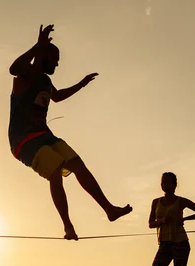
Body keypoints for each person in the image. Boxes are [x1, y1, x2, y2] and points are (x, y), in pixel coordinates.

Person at [8, 24, 132, 240]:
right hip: (23, 140)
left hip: (44, 134)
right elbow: (14, 68)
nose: (57, 62)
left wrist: (81, 84)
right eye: (54, 58)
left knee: (77, 163)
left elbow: (57, 96)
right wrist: (38, 46)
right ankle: (68, 226)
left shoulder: (45, 81)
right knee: (55, 170)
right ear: (43, 56)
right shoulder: (26, 76)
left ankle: (109, 210)